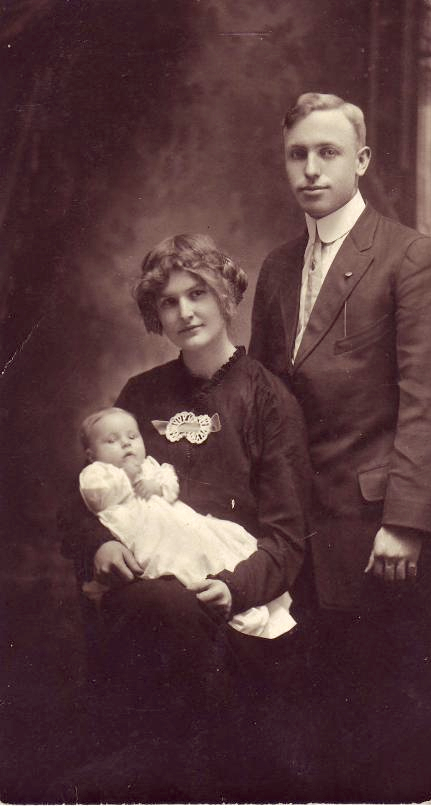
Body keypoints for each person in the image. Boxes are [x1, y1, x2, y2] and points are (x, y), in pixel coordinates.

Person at [249, 92, 431, 800]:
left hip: (380, 537)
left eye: (328, 152)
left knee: (391, 730)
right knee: (308, 727)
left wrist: (405, 524)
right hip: (299, 536)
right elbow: (263, 401)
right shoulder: (278, 268)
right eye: (298, 155)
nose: (311, 169)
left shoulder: (411, 258)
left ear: (363, 160)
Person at [59, 233, 311, 800]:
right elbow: (82, 495)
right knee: (154, 605)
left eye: (198, 294)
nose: (185, 312)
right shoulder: (141, 394)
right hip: (145, 589)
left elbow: (287, 537)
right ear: (157, 315)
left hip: (226, 591)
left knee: (177, 615)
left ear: (225, 297)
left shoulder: (268, 399)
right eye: (168, 302)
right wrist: (98, 543)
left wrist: (232, 588)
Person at [78, 405, 295, 639]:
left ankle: (223, 588)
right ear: (91, 455)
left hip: (175, 520)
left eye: (132, 437)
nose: (126, 444)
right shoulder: (97, 473)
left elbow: (170, 486)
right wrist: (125, 477)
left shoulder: (150, 465)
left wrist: (158, 486)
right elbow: (97, 497)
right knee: (172, 565)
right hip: (141, 529)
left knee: (206, 546)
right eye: (112, 441)